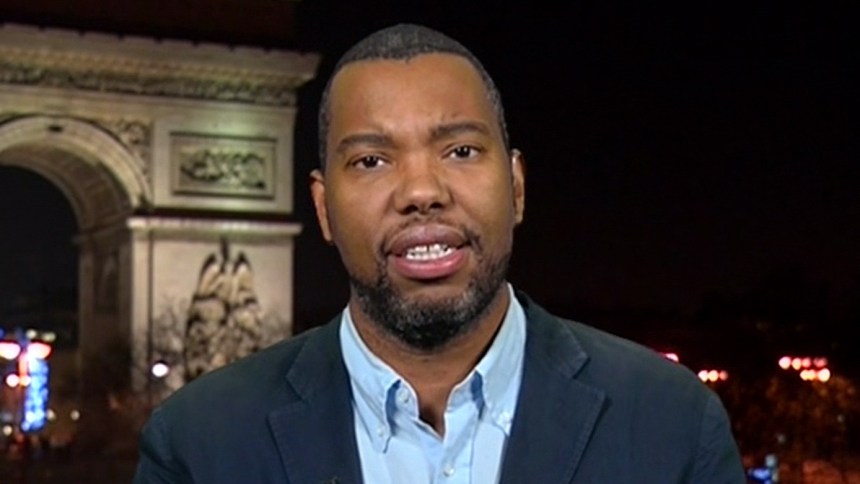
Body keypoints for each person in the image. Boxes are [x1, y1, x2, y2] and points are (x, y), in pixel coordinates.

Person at [133, 23, 746, 483]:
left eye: (460, 151)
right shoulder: (198, 445)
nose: (421, 191)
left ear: (518, 186)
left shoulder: (674, 424)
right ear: (322, 208)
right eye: (371, 160)